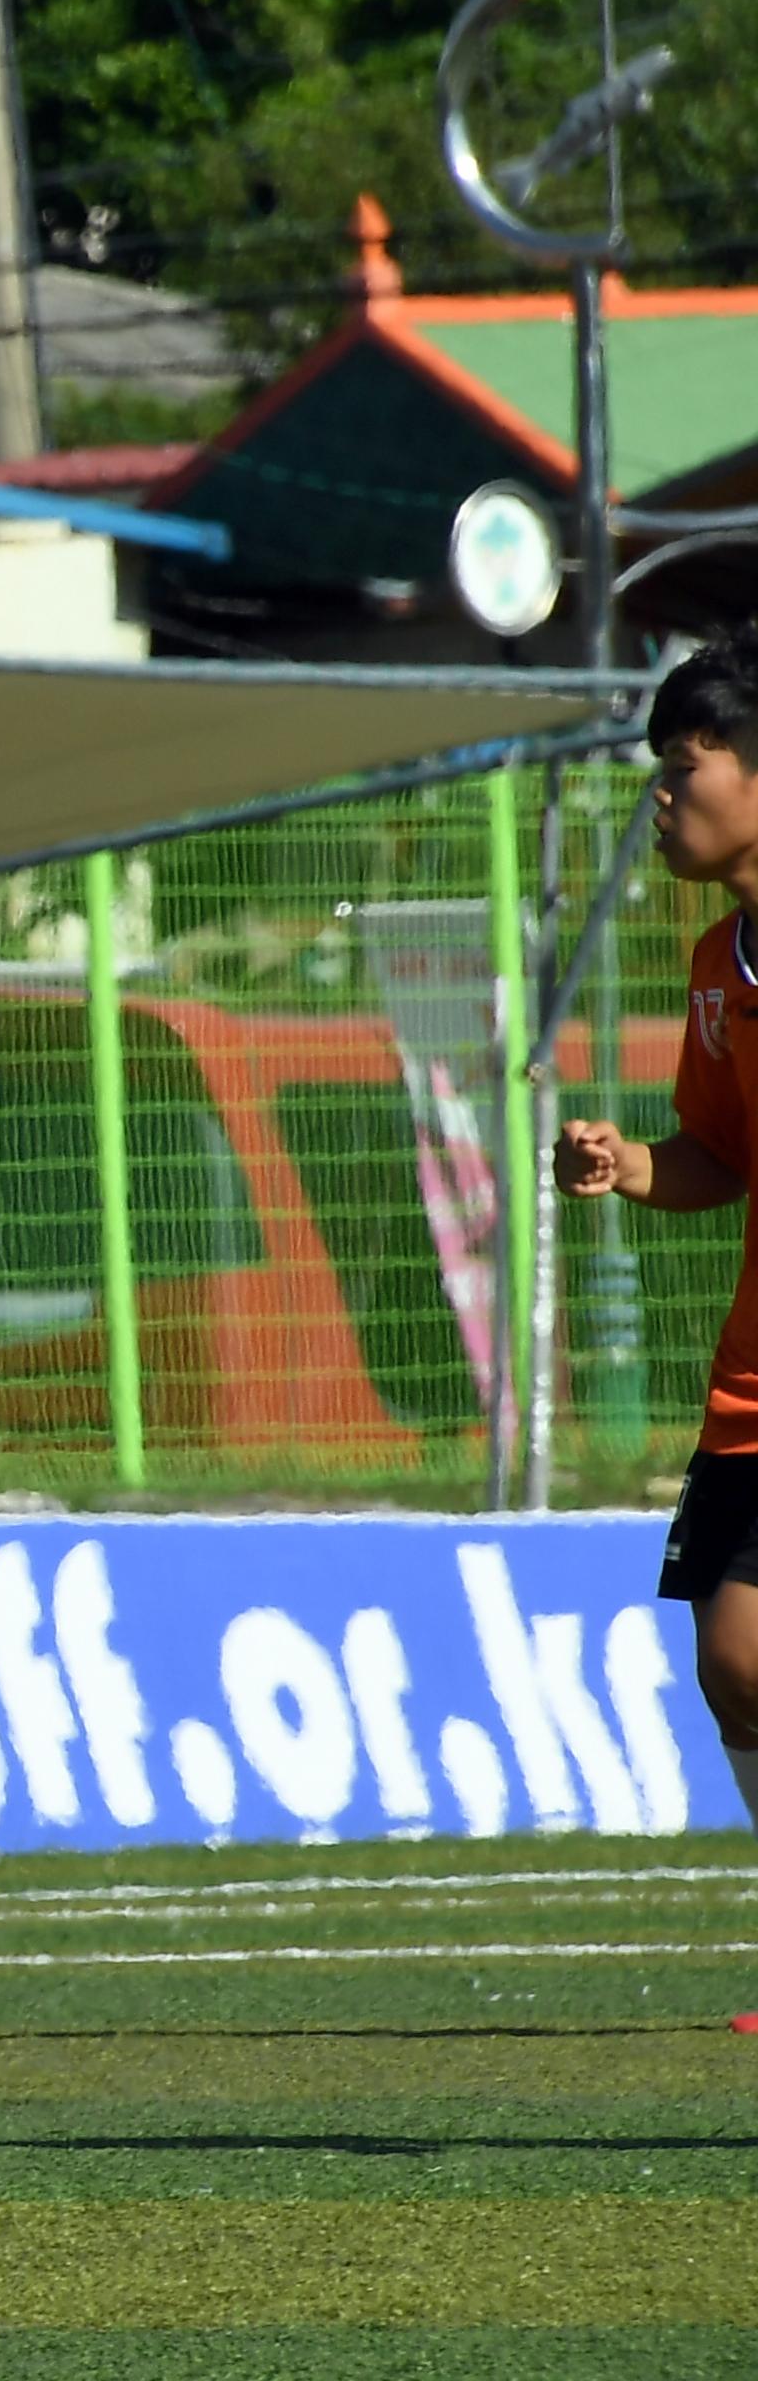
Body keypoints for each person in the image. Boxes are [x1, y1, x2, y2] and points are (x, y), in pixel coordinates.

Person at [558, 629, 758, 1945]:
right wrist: (635, 1162)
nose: (661, 796)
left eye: (682, 766)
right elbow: (719, 1158)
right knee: (733, 1665)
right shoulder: (714, 972)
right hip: (755, 1383)